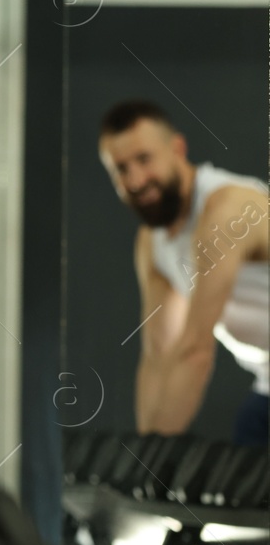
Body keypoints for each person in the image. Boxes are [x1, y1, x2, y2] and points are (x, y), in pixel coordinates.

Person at [98, 99, 269, 445]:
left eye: (144, 160)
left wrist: (152, 467)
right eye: (121, 169)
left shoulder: (228, 210)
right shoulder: (152, 242)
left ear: (177, 149)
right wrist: (146, 453)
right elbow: (160, 355)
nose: (136, 180)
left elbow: (195, 350)